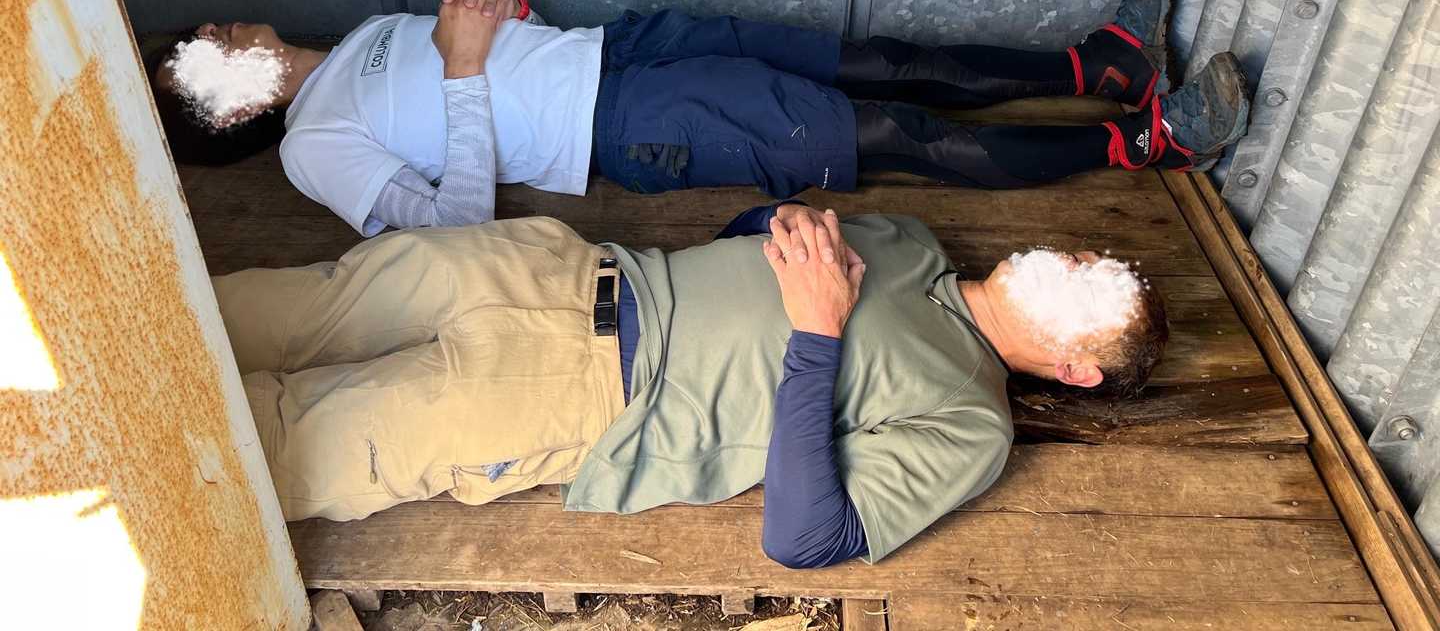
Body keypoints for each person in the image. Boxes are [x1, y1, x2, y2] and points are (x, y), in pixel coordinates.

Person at [213, 200, 1168, 566]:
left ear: (1077, 369)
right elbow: (749, 241)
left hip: (582, 393)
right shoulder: (914, 241)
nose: (1069, 262)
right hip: (562, 270)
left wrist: (819, 330)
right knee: (237, 311)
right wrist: (780, 220)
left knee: (256, 447)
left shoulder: (972, 423)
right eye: (1086, 257)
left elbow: (805, 539)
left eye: (1091, 290)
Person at [147, 0, 1250, 236]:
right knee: (892, 131)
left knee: (875, 58)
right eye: (200, 54)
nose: (214, 31)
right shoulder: (312, 147)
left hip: (626, 50)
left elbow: (480, 65)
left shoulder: (355, 42)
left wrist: (504, 17)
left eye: (199, 32)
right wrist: (471, 62)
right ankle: (1145, 144)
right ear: (227, 108)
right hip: (632, 125)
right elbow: (452, 223)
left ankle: (1103, 65)